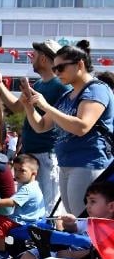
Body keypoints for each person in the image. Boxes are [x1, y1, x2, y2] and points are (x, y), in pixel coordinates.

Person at [21, 43, 114, 217]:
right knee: (74, 218)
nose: (56, 73)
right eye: (54, 68)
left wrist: (46, 106)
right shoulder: (66, 96)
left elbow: (82, 127)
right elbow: (41, 126)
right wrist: (29, 107)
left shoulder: (96, 89)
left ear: (79, 65)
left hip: (88, 162)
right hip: (67, 163)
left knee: (84, 219)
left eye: (61, 68)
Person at [0, 39, 70, 214]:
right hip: (31, 154)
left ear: (43, 58)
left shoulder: (61, 87)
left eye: (33, 55)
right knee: (30, 207)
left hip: (47, 154)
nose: (30, 58)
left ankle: (48, 241)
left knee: (46, 208)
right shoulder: (39, 85)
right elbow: (18, 107)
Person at [0, 154, 45, 259]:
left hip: (25, 224)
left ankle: (2, 253)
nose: (17, 173)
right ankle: (2, 247)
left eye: (22, 171)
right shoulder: (31, 185)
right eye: (15, 170)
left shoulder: (28, 189)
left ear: (34, 173)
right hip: (25, 221)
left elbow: (12, 202)